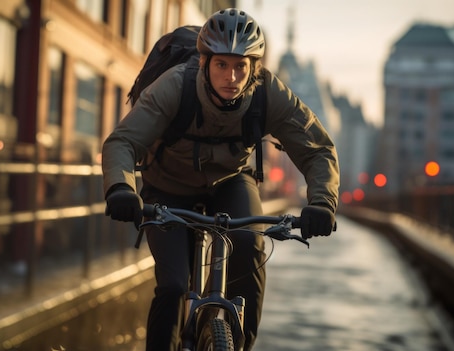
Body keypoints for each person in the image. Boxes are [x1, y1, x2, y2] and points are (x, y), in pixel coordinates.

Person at [102, 8, 339, 351]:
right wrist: (121, 188)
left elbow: (317, 148)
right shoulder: (174, 86)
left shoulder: (267, 91)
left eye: (241, 65)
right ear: (204, 63)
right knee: (172, 285)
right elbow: (123, 141)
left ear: (253, 67)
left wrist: (322, 201)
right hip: (168, 185)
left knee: (249, 248)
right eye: (222, 64)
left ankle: (240, 344)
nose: (231, 76)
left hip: (231, 180)